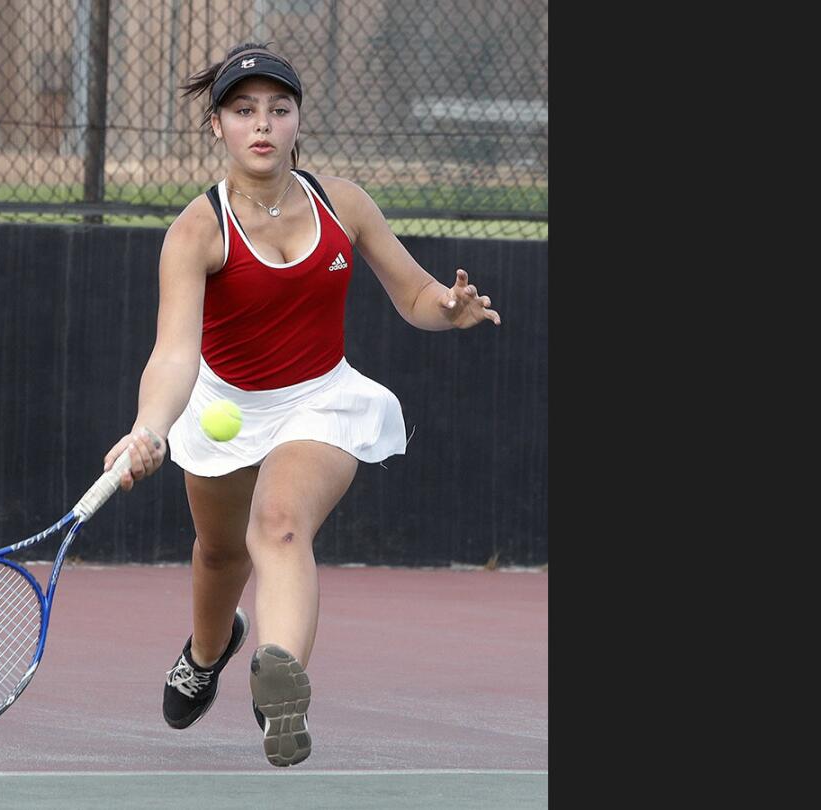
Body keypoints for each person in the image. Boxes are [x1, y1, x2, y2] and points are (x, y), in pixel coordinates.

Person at [101, 43, 501, 768]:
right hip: (222, 404)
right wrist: (148, 429)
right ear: (217, 125)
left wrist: (449, 306)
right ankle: (209, 647)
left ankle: (279, 678)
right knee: (221, 555)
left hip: (320, 401)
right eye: (244, 110)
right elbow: (174, 353)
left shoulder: (341, 203)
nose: (263, 125)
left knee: (280, 526)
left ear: (297, 124)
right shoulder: (198, 230)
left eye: (278, 110)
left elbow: (415, 294)